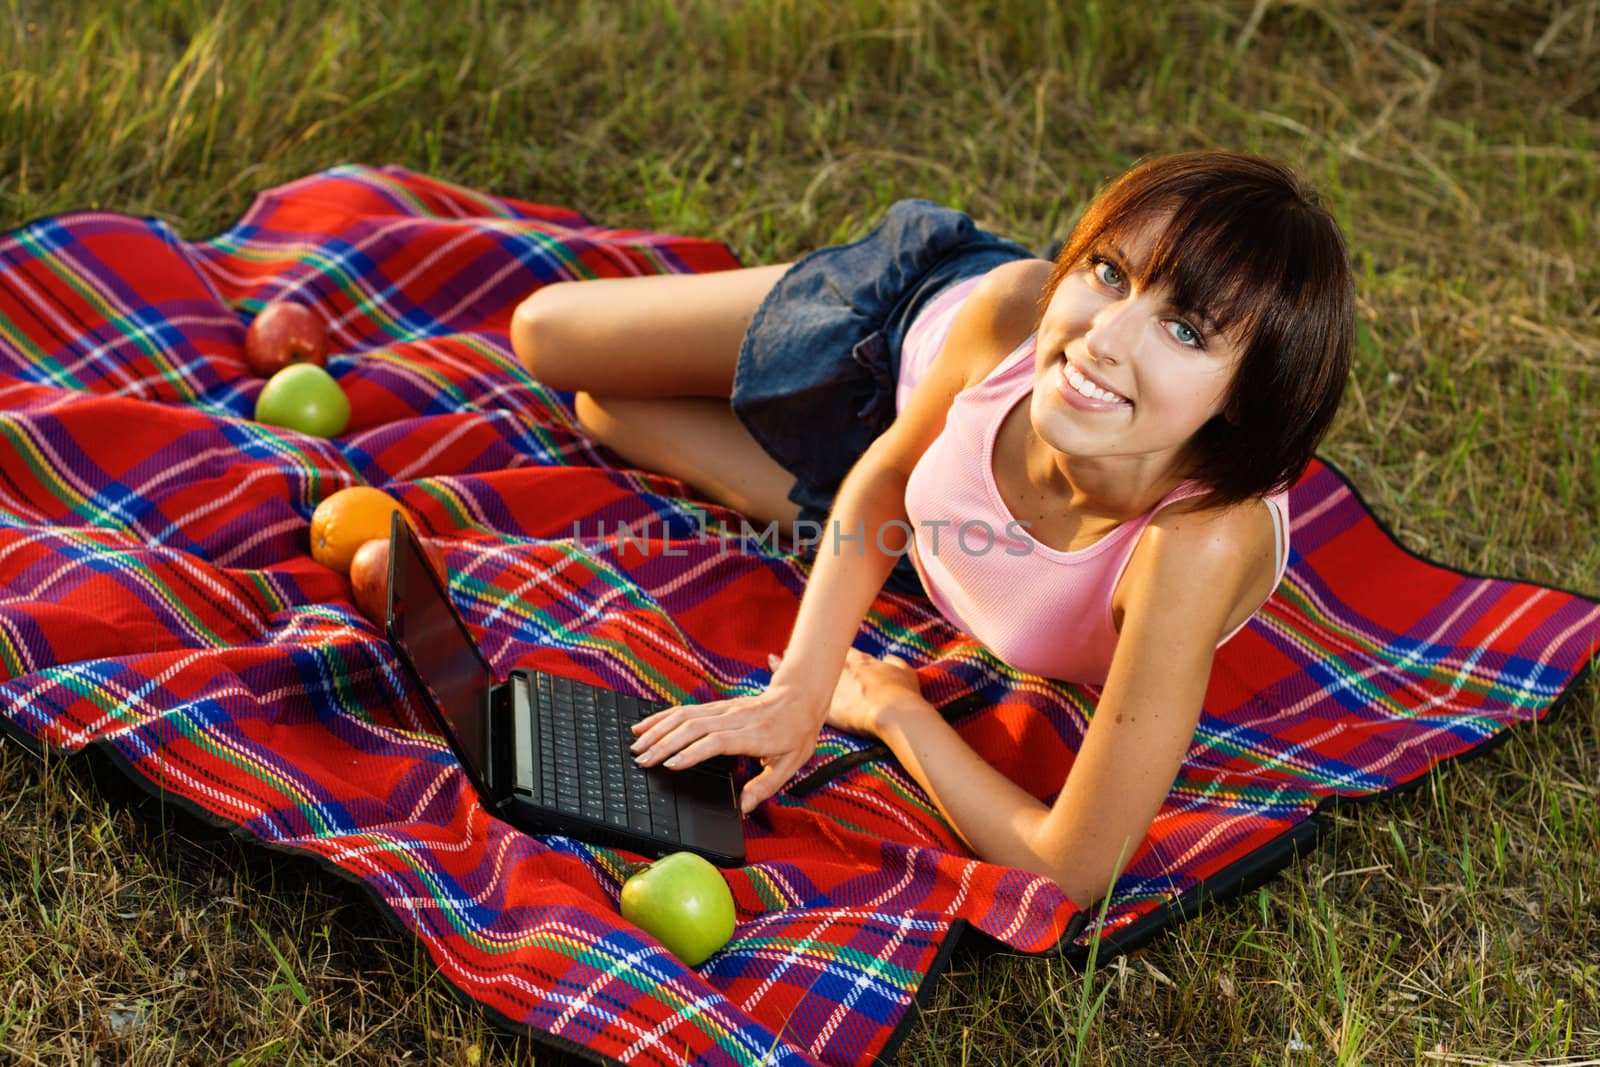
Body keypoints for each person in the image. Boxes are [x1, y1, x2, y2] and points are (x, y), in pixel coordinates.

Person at [511, 151, 1354, 907]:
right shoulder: (1012, 312)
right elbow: (886, 475)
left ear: (1245, 395)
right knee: (545, 336)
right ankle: (782, 299)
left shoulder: (1194, 543)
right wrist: (798, 693)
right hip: (891, 335)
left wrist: (892, 709)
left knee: (614, 412)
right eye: (1107, 271)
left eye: (1185, 330)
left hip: (930, 531)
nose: (1103, 337)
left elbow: (1071, 869)